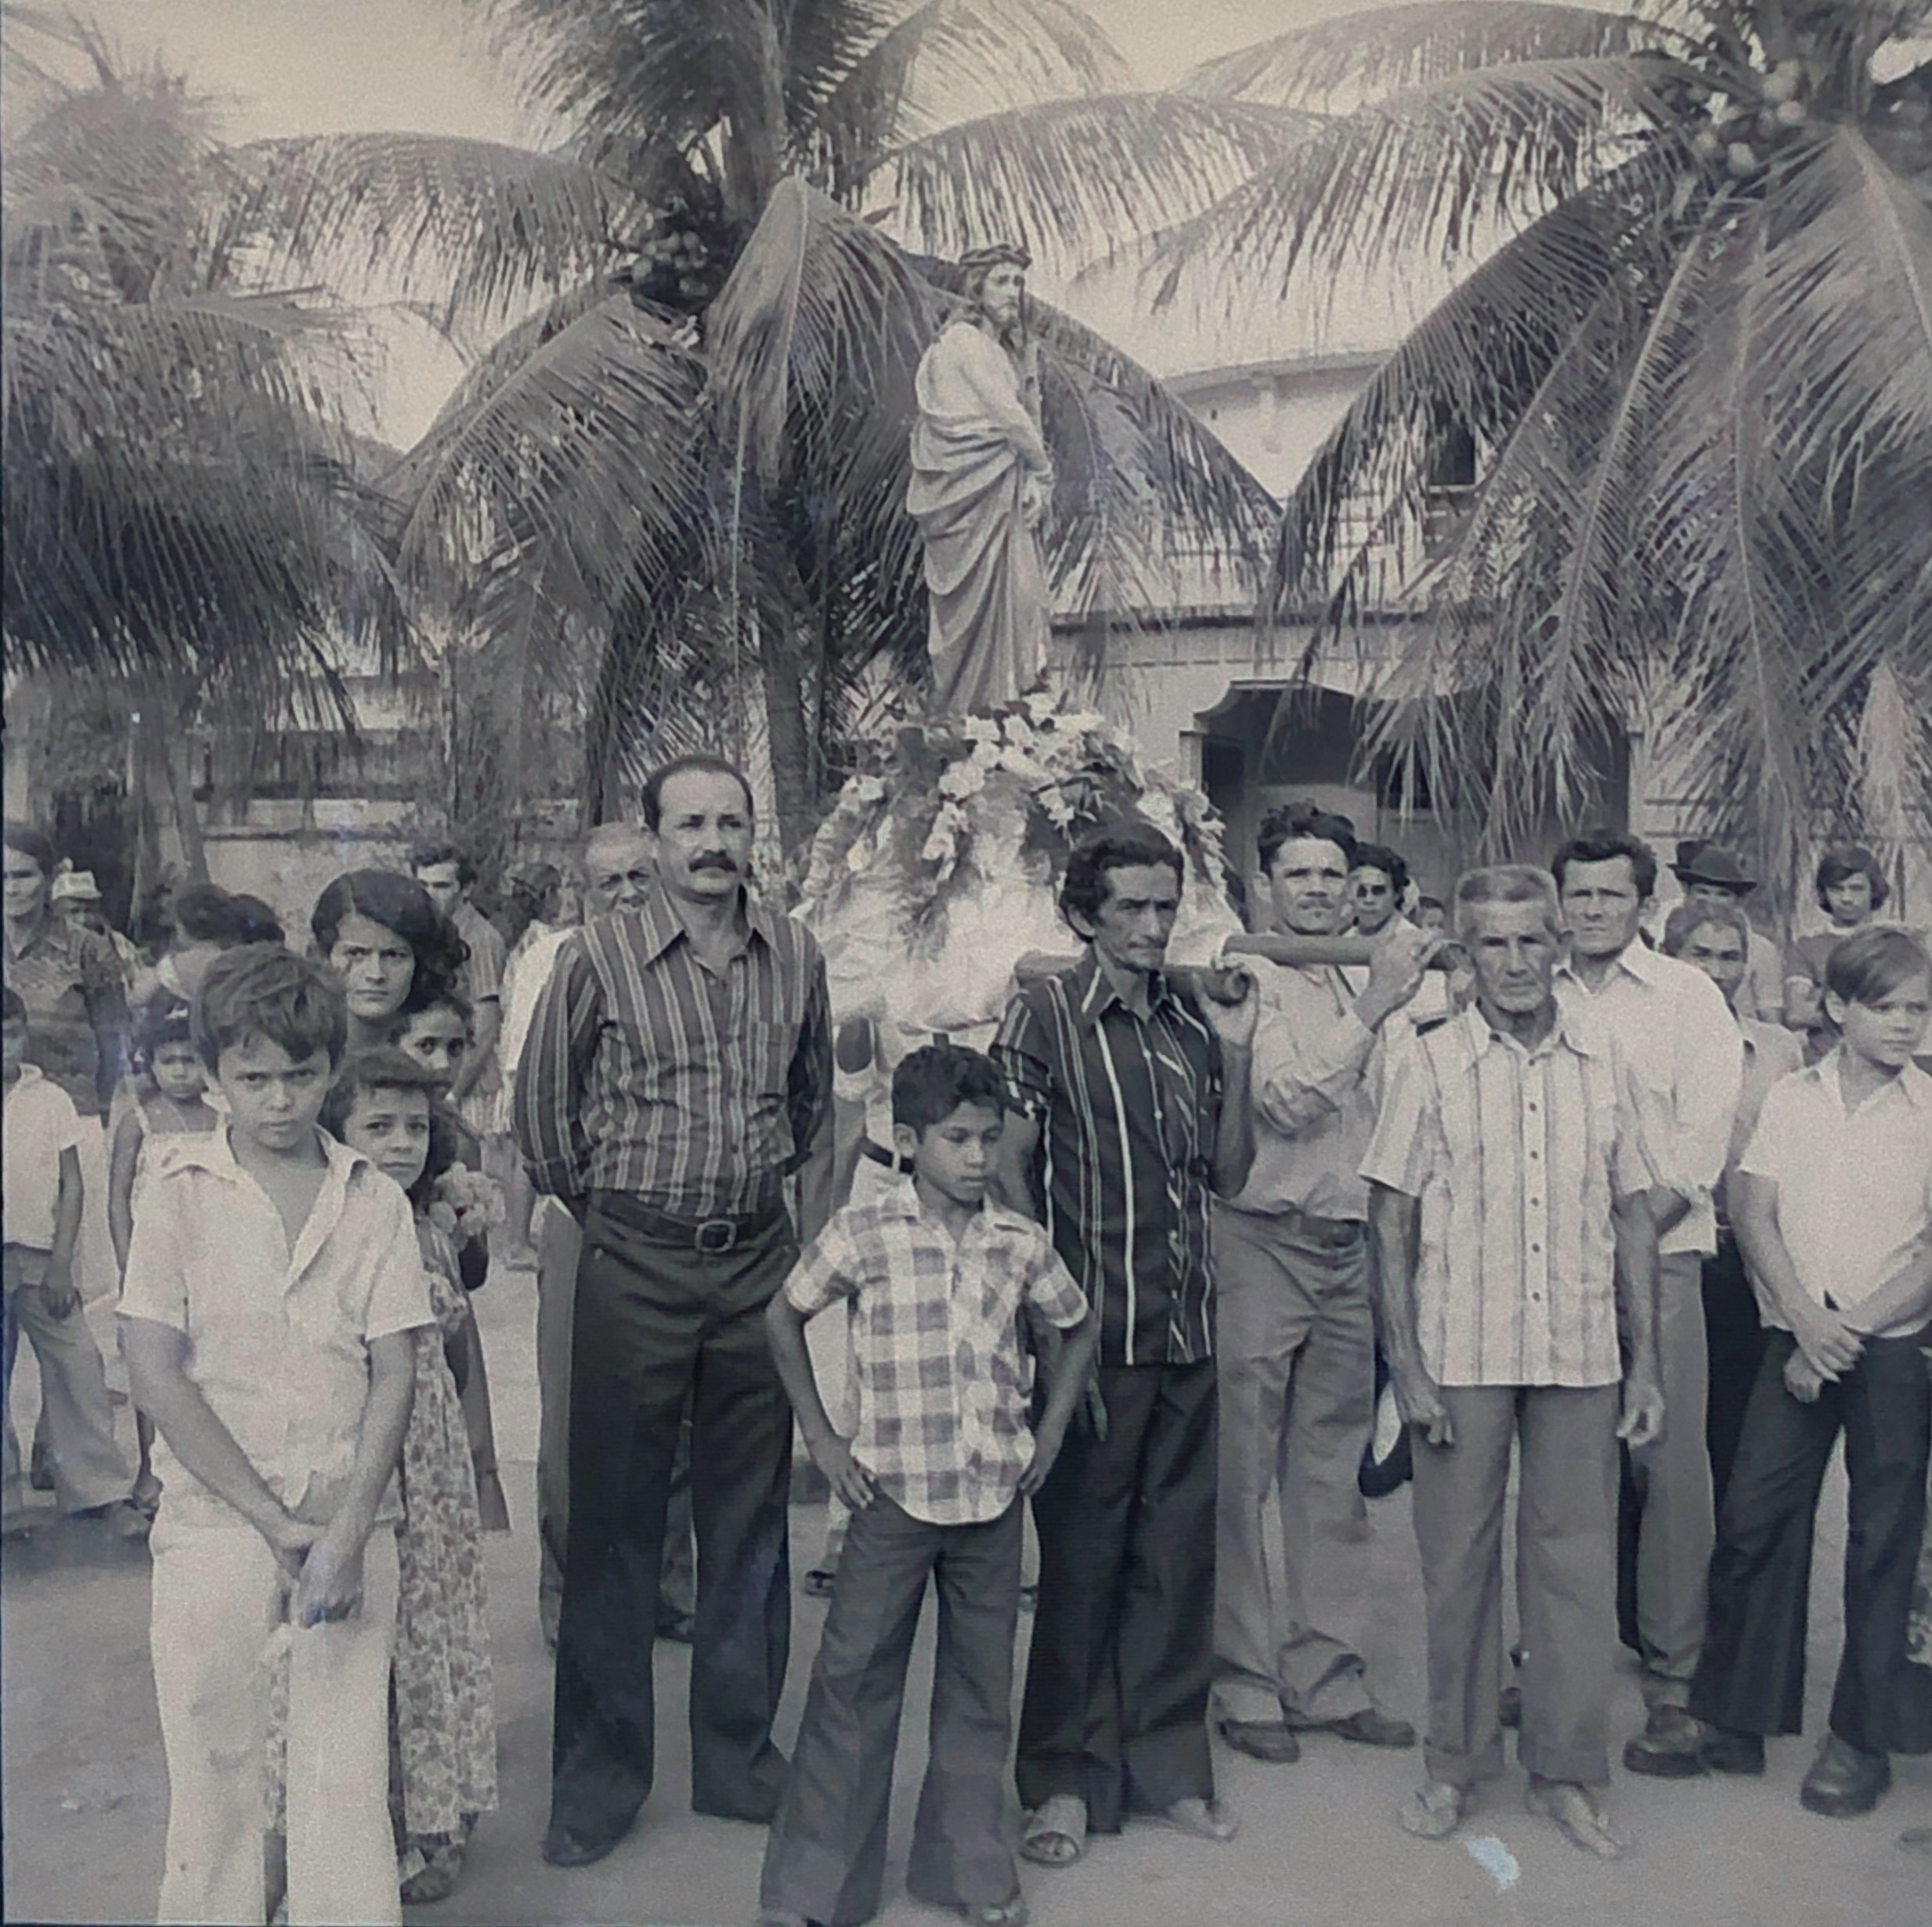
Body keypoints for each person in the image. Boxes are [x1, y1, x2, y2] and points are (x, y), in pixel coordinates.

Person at [515, 753, 834, 1867]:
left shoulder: (793, 949)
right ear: (649, 840)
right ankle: (600, 1783)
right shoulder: (593, 957)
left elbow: (808, 1103)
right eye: (689, 822)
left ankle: (740, 1761)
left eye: (731, 821)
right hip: (634, 1263)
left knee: (749, 1525)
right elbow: (543, 1116)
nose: (712, 841)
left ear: (754, 836)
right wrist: (618, 1221)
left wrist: (757, 1221)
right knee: (615, 1530)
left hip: (753, 1266)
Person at [119, 947, 428, 1925]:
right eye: (252, 1077)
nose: (280, 1100)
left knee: (340, 1779)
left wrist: (340, 1535)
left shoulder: (371, 1197)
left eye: (300, 1075)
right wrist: (266, 1519)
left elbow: (396, 1369)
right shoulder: (175, 1187)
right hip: (216, 1524)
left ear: (331, 1070)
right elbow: (155, 1369)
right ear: (211, 1079)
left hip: (345, 1522)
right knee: (216, 1766)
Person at [1364, 864, 1665, 1860]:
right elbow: (1390, 1220)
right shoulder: (1430, 1059)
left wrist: (1647, 1364)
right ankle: (1453, 1767)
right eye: (1491, 943)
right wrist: (1405, 1370)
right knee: (1456, 1568)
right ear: (1464, 950)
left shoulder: (1604, 1056)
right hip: (1462, 1351)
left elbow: (1633, 1218)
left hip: (1580, 1351)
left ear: (1558, 944)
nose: (1515, 962)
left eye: (1531, 940)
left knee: (1574, 1572)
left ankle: (1569, 1774)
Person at [759, 1045, 1097, 1927]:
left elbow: (1076, 1324)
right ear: (909, 1141)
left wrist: (1050, 1429)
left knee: (980, 1693)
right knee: (853, 1686)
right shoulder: (866, 1230)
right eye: (958, 1139)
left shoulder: (1018, 1242)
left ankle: (966, 1870)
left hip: (990, 1501)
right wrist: (823, 1438)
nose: (979, 1158)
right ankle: (818, 1891)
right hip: (891, 1501)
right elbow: (784, 1313)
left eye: (989, 1139)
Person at [992, 825, 1257, 1865]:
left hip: (1186, 1332)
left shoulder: (1192, 1023)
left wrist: (1235, 1050)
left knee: (1173, 1562)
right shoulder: (1046, 1012)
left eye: (1163, 906)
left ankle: (1167, 1771)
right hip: (1089, 1343)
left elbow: (1228, 1173)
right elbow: (1010, 1179)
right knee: (1081, 1564)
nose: (1151, 928)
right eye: (1130, 909)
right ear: (1084, 916)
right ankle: (1059, 1782)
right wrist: (1055, 1327)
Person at [1690, 927, 1932, 1816]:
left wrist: (1847, 1330)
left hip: (1894, 1348)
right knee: (1754, 1514)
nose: (1907, 1024)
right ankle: (1736, 1715)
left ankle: (1859, 1739)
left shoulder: (1929, 1109)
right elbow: (1751, 1208)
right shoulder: (1793, 1098)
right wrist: (1801, 1318)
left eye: (1917, 1007)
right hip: (1794, 1333)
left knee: (1882, 1539)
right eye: (1887, 1006)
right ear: (1837, 1008)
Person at [1210, 803, 1432, 1765]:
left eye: (1330, 877)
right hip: (1260, 1240)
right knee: (1239, 1475)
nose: (1314, 890)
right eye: (1295, 874)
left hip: (1350, 1247)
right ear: (1263, 885)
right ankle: (1244, 1681)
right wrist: (1377, 1005)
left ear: (1354, 887)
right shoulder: (1248, 971)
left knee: (1332, 1478)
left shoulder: (1367, 970)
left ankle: (1327, 1676)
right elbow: (1286, 1103)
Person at [1550, 829, 1741, 1777]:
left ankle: (1674, 1683)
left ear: (1641, 904)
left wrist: (1632, 1226)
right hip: (1552, 1271)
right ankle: (1556, 1663)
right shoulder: (1527, 987)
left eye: (1609, 896)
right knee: (1565, 1472)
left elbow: (1702, 1142)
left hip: (1661, 1257)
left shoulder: (1686, 997)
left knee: (1668, 1474)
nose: (1591, 911)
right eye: (1577, 895)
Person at [506, 821, 702, 1656]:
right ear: (580, 895)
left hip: (677, 1222)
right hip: (586, 1218)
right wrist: (580, 1206)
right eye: (608, 882)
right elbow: (534, 1104)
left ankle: (666, 1585)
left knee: (677, 1414)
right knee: (575, 1423)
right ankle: (571, 1593)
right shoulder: (560, 963)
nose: (626, 895)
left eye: (638, 879)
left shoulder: (695, 959)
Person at [315, 1050, 497, 1905]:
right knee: (360, 1638)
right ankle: (362, 1813)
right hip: (357, 1447)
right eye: (376, 1127)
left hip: (431, 1460)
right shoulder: (333, 1221)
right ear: (338, 1130)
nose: (399, 1144)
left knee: (431, 1633)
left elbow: (455, 1346)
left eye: (415, 1128)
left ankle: (434, 1819)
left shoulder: (431, 1222)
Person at [1658, 900, 1803, 1510]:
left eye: (1730, 956)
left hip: (1743, 1256)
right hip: (1663, 1247)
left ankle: (1722, 1593)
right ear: (1670, 957)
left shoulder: (1777, 1051)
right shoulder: (1639, 1038)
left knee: (1734, 1431)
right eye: (1701, 954)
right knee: (1660, 1432)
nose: (1716, 970)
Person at [3, 986, 140, 1530]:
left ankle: (99, 1488)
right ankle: (5, 1502)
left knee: (79, 1363)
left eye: (10, 1032)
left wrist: (62, 1262)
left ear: (24, 1032)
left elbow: (73, 1185)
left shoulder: (50, 1099)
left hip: (41, 1256)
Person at [906, 242, 1054, 715]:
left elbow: (1021, 414)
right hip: (968, 497)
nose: (1014, 292)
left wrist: (1029, 375)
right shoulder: (965, 343)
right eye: (1002, 281)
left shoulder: (996, 350)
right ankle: (982, 716)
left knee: (1024, 600)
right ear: (977, 287)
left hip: (999, 492)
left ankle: (1010, 708)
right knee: (980, 612)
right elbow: (1008, 418)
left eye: (1018, 283)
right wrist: (1042, 469)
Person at [108, 988, 221, 1519]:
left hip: (208, 1256)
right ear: (151, 1063)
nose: (180, 1072)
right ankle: (151, 1469)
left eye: (190, 1061)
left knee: (204, 1364)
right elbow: (117, 1195)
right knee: (152, 1364)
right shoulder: (141, 1119)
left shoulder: (219, 1120)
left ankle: (199, 1464)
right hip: (152, 1261)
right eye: (169, 1061)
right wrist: (129, 1263)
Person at [409, 843, 508, 1144]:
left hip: (472, 1089)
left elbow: (487, 1024)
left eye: (441, 886)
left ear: (465, 889)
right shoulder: (429, 932)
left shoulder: (481, 939)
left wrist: (455, 1093)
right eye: (423, 885)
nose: (430, 894)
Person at [310, 869, 468, 1057]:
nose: (376, 974)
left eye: (394, 955)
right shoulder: (302, 1058)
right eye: (356, 954)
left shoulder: (442, 1053)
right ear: (325, 957)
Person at [1783, 843, 1892, 1048]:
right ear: (1824, 893)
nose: (1846, 898)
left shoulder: (1892, 942)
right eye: (1837, 889)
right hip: (1826, 1057)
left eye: (1856, 889)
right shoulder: (1807, 946)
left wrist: (1828, 1005)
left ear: (1874, 890)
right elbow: (1796, 1013)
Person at [1670, 843, 1783, 1023]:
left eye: (1723, 894)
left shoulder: (1762, 949)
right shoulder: (1660, 933)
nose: (1712, 901)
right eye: (1703, 892)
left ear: (1738, 900)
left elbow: (1770, 1012)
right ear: (1687, 891)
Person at [51, 864, 143, 993]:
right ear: (57, 912)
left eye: (88, 911)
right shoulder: (48, 947)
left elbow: (139, 987)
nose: (83, 919)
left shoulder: (119, 944)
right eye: (74, 912)